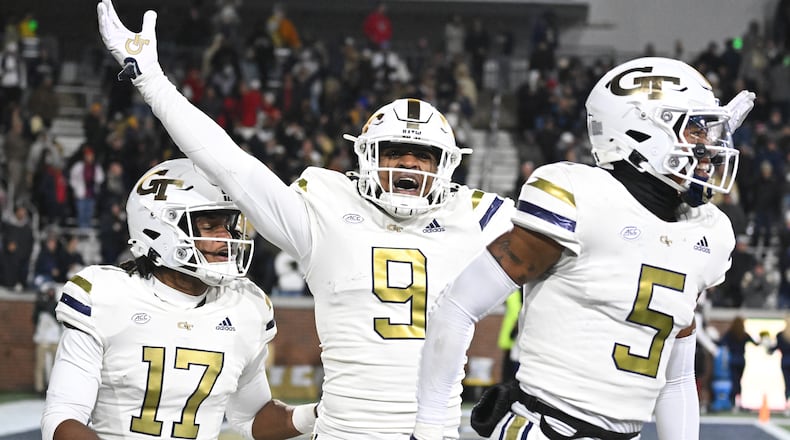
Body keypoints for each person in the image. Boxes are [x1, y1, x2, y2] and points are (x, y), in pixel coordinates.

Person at [96, 2, 516, 438]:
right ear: (368, 157)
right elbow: (231, 166)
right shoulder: (326, 210)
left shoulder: (477, 216)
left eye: (423, 156)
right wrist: (152, 81)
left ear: (445, 167)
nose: (407, 164)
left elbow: (577, 256)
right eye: (394, 152)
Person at [410, 57, 756, 440]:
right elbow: (457, 308)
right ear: (640, 128)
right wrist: (430, 426)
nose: (708, 147)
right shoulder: (579, 197)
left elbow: (677, 378)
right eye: (695, 129)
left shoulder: (706, 232)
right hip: (545, 429)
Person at [40, 158, 317, 440]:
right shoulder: (106, 297)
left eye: (228, 225)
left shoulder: (245, 307)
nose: (228, 237)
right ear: (161, 230)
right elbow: (62, 419)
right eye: (210, 226)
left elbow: (252, 418)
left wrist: (318, 414)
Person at [718, 315, 758, 412]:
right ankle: (738, 401)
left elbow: (720, 343)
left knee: (734, 381)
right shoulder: (744, 334)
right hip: (741, 360)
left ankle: (733, 402)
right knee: (739, 381)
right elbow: (755, 343)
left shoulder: (730, 334)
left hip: (733, 360)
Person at [32, 281, 62, 396]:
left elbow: (57, 318)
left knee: (56, 365)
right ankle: (39, 388)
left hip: (54, 339)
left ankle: (54, 387)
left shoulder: (55, 304)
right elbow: (35, 319)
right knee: (40, 365)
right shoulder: (39, 306)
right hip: (42, 338)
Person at [768, 314, 790, 413]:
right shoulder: (781, 334)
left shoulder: (781, 335)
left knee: (787, 383)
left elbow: (774, 348)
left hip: (785, 362)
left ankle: (787, 404)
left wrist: (767, 348)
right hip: (785, 362)